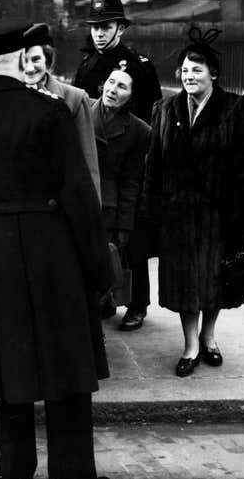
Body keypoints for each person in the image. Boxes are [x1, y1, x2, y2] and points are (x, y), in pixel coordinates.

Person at [0, 19, 110, 479]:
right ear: (18, 58)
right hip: (54, 258)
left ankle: (14, 469)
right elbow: (80, 200)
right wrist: (98, 272)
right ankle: (72, 473)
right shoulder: (50, 113)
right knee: (66, 381)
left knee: (9, 384)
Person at [143, 27, 244, 377]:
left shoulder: (237, 109)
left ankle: (210, 338)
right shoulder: (164, 109)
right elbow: (154, 164)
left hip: (219, 215)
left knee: (215, 280)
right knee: (184, 282)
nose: (189, 75)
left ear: (214, 74)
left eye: (196, 70)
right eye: (184, 70)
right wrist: (149, 212)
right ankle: (190, 345)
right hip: (177, 215)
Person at [72, 0, 162, 325]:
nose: (98, 33)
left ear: (120, 29)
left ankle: (137, 303)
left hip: (129, 158)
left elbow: (150, 118)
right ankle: (105, 296)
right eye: (95, 26)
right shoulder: (87, 65)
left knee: (133, 234)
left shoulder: (138, 66)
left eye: (106, 27)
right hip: (96, 159)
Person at [92, 62, 151, 325]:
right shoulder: (82, 111)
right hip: (84, 196)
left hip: (114, 202)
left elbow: (131, 181)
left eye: (122, 86)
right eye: (111, 82)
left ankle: (136, 306)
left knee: (125, 252)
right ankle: (99, 303)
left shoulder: (139, 131)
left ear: (131, 96)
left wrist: (125, 225)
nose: (113, 89)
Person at [23, 23, 100, 200]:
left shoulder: (74, 99)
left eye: (36, 60)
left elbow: (88, 166)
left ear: (47, 61)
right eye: (23, 60)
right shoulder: (10, 99)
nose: (29, 68)